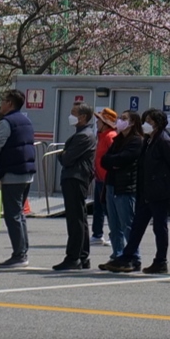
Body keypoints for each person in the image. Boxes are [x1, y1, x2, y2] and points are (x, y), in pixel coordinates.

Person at [0, 89, 38, 268]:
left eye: (3, 100)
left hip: (12, 173)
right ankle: (22, 251)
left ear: (10, 103)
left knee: (12, 215)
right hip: (27, 173)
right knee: (19, 213)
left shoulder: (6, 122)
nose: (0, 104)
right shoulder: (26, 120)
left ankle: (19, 254)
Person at [130, 110, 170, 273]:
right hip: (147, 190)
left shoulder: (164, 141)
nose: (145, 124)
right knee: (138, 225)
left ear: (157, 123)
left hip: (160, 191)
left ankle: (161, 261)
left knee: (159, 227)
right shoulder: (148, 140)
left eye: (149, 121)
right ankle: (126, 257)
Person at [53, 100, 101, 271]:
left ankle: (73, 257)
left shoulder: (84, 136)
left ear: (83, 117)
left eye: (74, 113)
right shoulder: (82, 134)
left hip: (75, 178)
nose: (70, 116)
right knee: (79, 218)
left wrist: (62, 154)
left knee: (75, 220)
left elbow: (67, 158)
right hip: (75, 178)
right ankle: (82, 256)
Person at [96, 110, 141, 275]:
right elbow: (105, 160)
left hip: (125, 187)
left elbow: (124, 159)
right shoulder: (118, 140)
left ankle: (134, 257)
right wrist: (114, 162)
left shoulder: (137, 141)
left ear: (132, 122)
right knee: (114, 226)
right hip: (111, 185)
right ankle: (118, 255)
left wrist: (115, 162)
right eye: (120, 118)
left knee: (127, 224)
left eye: (124, 118)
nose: (120, 121)